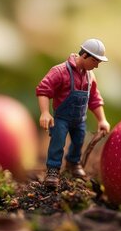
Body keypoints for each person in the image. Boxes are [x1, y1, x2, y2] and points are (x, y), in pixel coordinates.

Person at [36, 38, 110, 187]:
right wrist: (45, 112)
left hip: (80, 119)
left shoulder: (90, 76)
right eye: (95, 62)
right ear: (85, 56)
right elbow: (43, 90)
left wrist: (102, 119)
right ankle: (53, 169)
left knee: (79, 141)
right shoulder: (60, 71)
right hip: (62, 118)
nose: (96, 66)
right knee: (58, 142)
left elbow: (94, 99)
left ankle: (73, 163)